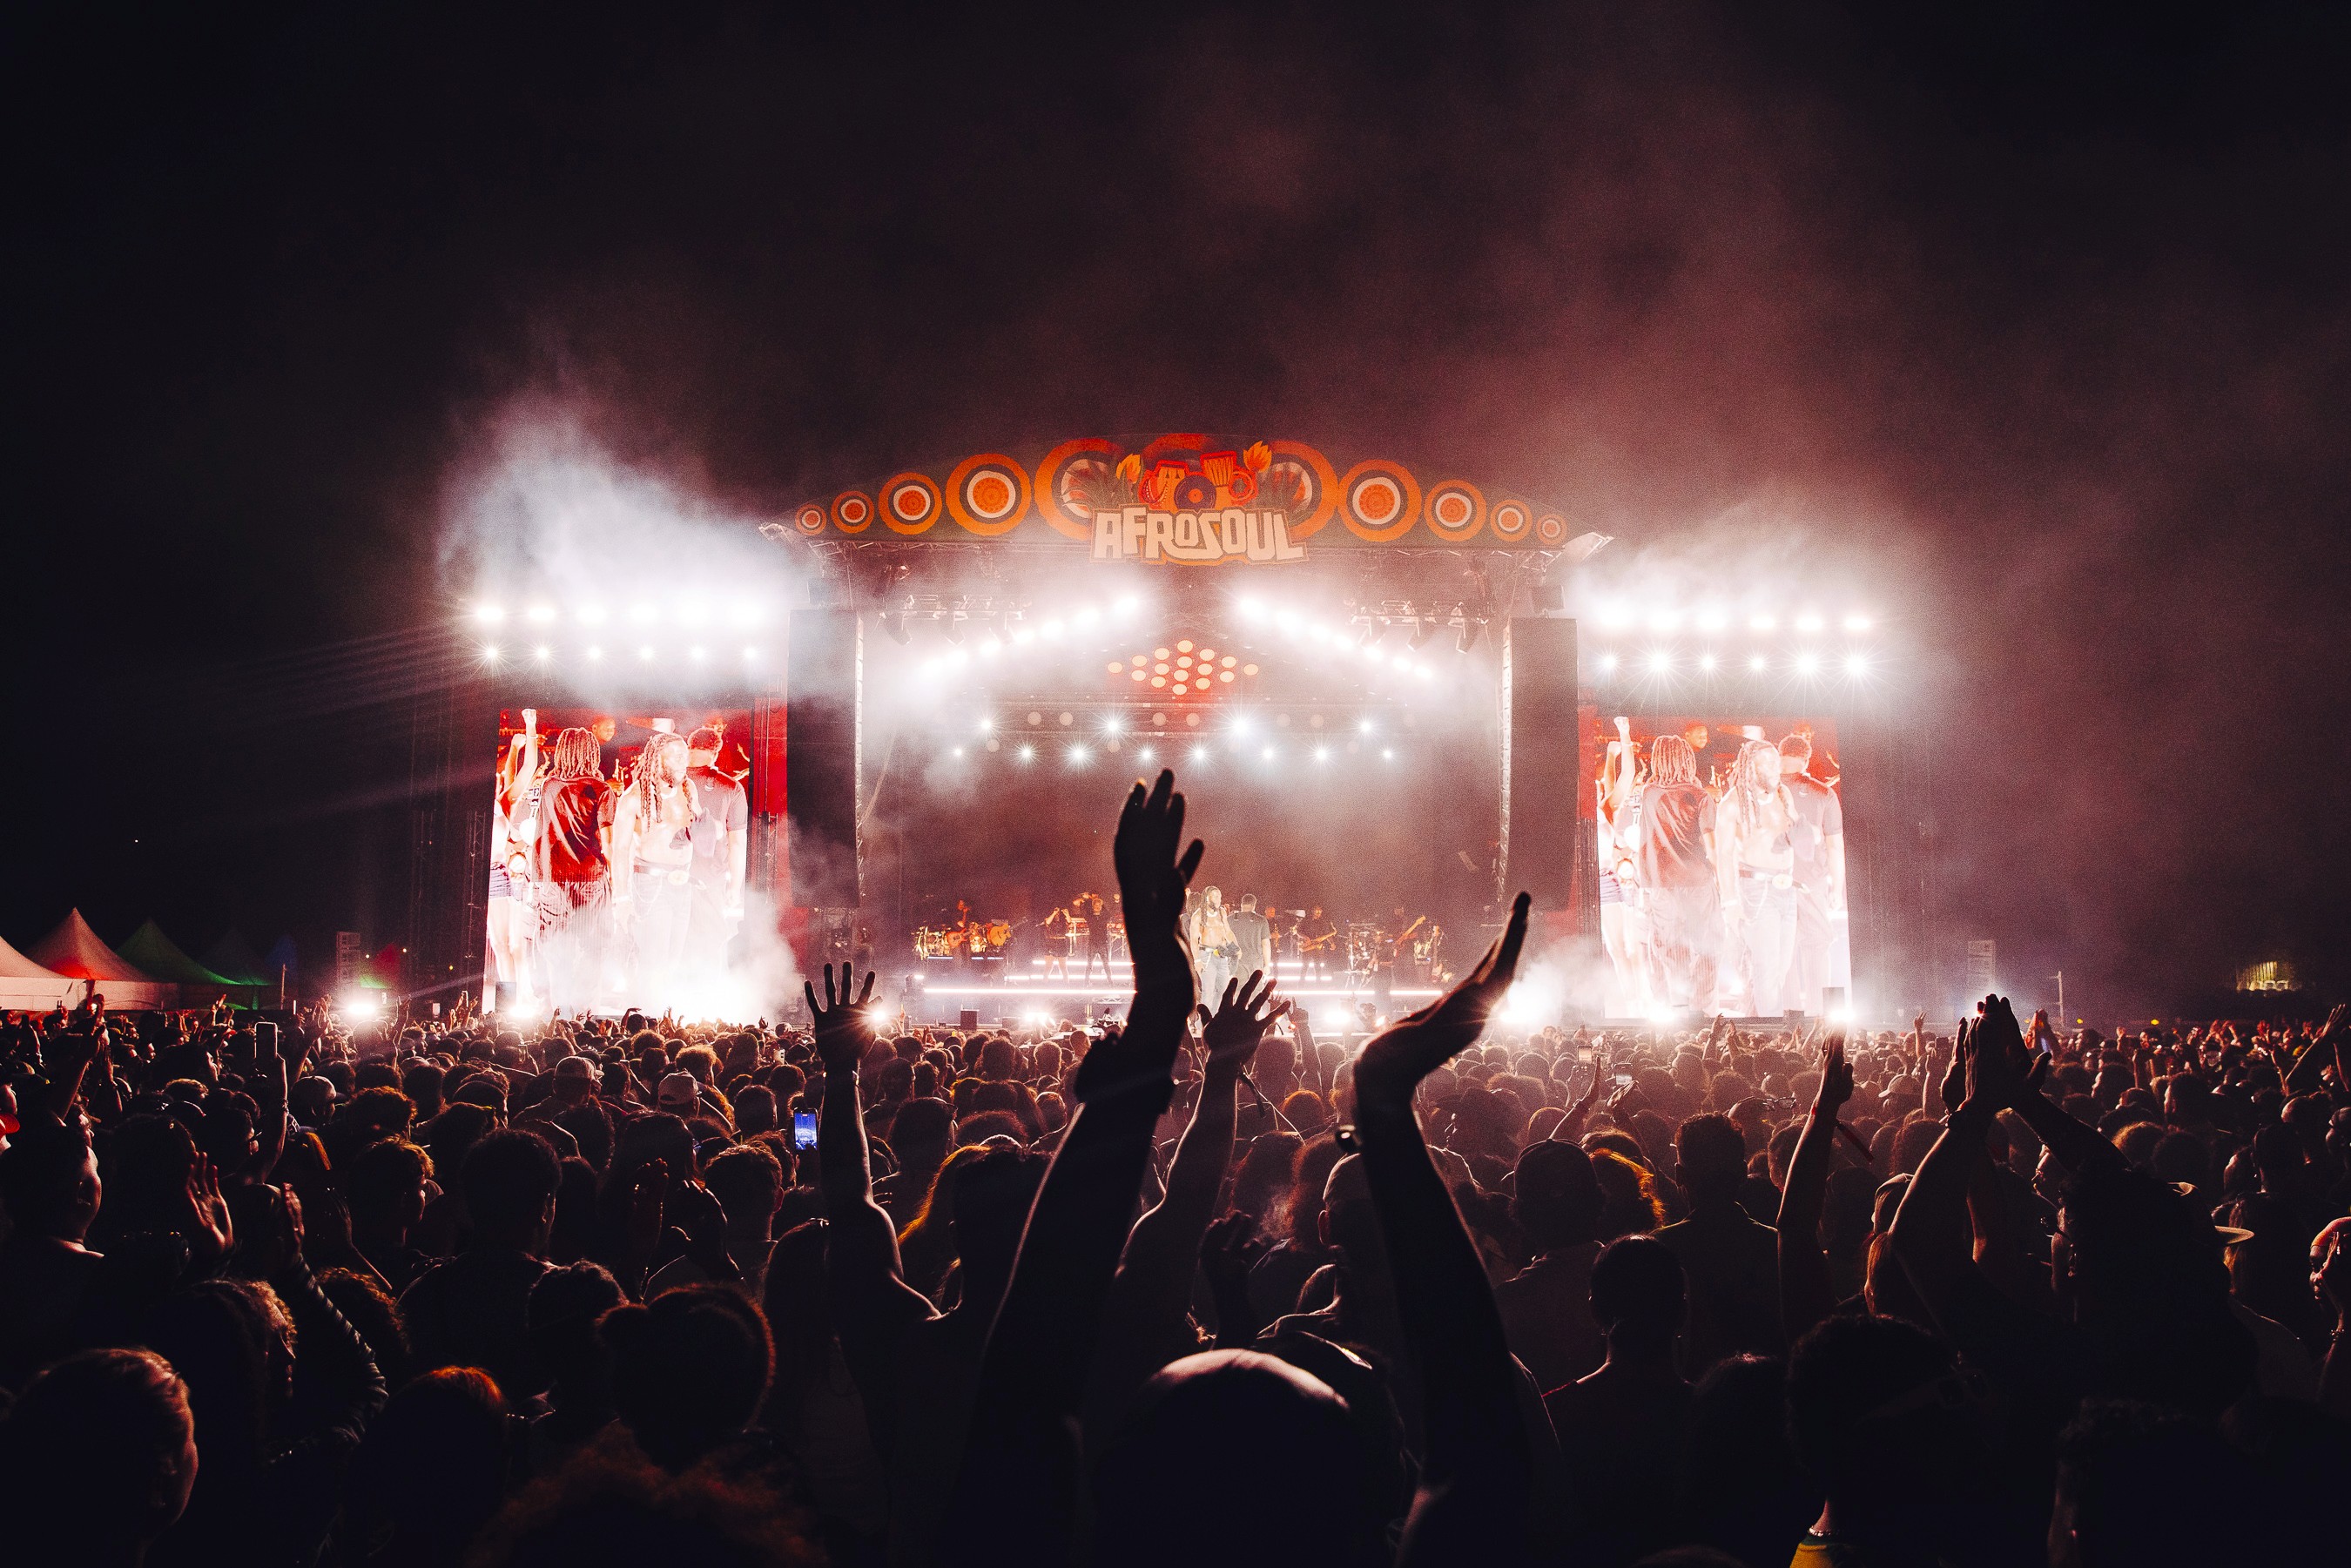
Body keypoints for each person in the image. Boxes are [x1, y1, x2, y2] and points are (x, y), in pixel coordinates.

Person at [610, 730, 700, 1010]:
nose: (683, 761)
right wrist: (621, 899)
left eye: (685, 755)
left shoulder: (689, 788)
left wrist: (705, 831)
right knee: (654, 960)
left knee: (674, 958)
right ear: (658, 759)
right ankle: (645, 1018)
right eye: (676, 756)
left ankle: (663, 1018)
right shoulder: (634, 797)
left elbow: (701, 830)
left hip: (682, 883)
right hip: (650, 884)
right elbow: (619, 851)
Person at [1634, 733, 1721, 1012]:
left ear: (1658, 761)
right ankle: (1703, 1009)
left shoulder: (1649, 794)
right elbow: (1711, 846)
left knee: (1671, 946)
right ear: (1688, 760)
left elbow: (1645, 840)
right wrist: (1722, 881)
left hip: (1661, 882)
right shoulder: (1701, 797)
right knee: (1706, 943)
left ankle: (1678, 1007)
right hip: (1697, 881)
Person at [530, 727, 614, 1015]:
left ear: (562, 753)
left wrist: (537, 879)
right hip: (590, 877)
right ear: (593, 754)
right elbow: (608, 842)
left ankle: (560, 1014)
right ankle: (586, 1017)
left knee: (557, 949)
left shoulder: (550, 786)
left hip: (553, 878)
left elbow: (541, 835)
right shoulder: (602, 790)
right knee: (592, 948)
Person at [1716, 737, 1797, 1017]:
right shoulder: (1732, 803)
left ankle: (1758, 1017)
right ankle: (1770, 1031)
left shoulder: (1784, 793)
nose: (1777, 767)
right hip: (1756, 890)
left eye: (1777, 761)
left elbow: (1798, 837)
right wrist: (1730, 903)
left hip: (1787, 887)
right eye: (1769, 763)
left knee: (1782, 966)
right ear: (1751, 767)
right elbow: (1723, 856)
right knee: (1768, 968)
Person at [1779, 730, 1846, 1018]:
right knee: (1817, 947)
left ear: (1780, 756)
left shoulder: (1762, 791)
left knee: (1782, 950)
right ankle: (1820, 1018)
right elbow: (1835, 846)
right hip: (1812, 882)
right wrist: (1837, 888)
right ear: (1806, 760)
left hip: (1771, 884)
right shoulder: (1824, 793)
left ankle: (1787, 1018)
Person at [683, 724, 748, 972]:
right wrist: (734, 887)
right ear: (716, 752)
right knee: (709, 947)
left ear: (689, 747)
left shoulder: (669, 781)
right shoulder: (731, 788)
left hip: (669, 874)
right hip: (711, 878)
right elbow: (737, 842)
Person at [1229, 892, 1272, 985]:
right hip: (1255, 963)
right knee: (1255, 989)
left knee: (1238, 990)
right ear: (1254, 905)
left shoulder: (1230, 919)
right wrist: (1267, 965)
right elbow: (1266, 944)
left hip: (1236, 962)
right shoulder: (1261, 920)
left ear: (1241, 904)